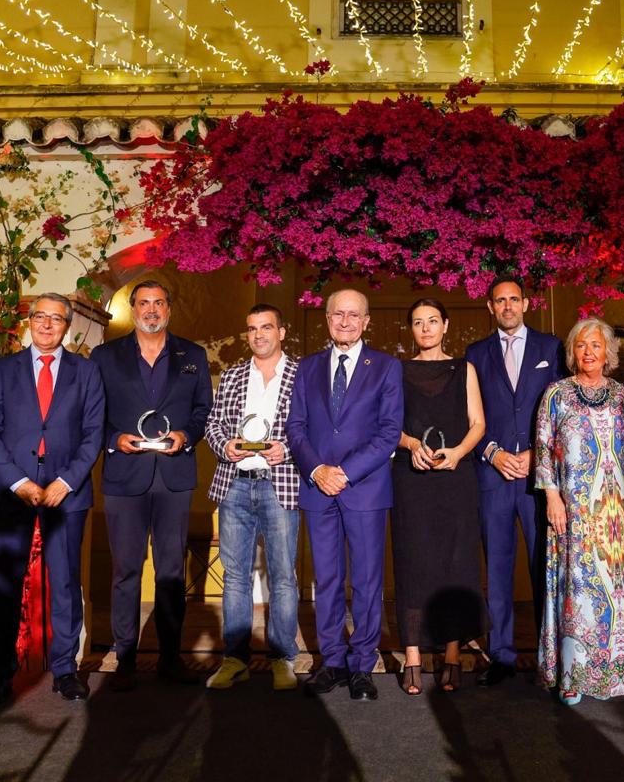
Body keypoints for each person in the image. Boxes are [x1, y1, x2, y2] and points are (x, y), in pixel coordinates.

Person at [0, 294, 105, 707]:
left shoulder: (86, 372)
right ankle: (0, 675)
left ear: (67, 326)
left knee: (65, 582)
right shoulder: (2, 370)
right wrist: (17, 482)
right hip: (14, 491)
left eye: (56, 319)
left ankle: (65, 669)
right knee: (6, 583)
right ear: (28, 322)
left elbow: (93, 433)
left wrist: (65, 481)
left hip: (67, 492)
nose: (47, 325)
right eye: (40, 317)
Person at [90, 280, 213, 691]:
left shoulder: (192, 356)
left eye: (159, 302)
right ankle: (124, 655)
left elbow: (203, 411)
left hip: (174, 476)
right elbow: (94, 413)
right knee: (126, 570)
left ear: (169, 309)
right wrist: (113, 439)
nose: (152, 310)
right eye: (144, 303)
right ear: (134, 308)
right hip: (125, 475)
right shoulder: (105, 356)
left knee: (171, 572)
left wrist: (186, 435)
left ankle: (169, 656)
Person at [286, 289, 403, 701]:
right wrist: (318, 470)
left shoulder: (387, 368)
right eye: (339, 314)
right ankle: (333, 661)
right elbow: (295, 427)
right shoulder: (307, 368)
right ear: (327, 319)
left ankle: (361, 666)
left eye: (355, 316)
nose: (346, 322)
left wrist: (346, 472)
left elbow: (389, 431)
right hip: (318, 489)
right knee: (328, 580)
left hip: (365, 490)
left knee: (368, 582)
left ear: (367, 321)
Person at [465, 275, 565, 687]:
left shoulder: (551, 348)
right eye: (499, 301)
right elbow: (467, 415)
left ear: (526, 303)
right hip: (493, 475)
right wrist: (493, 452)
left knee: (544, 566)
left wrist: (537, 456)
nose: (507, 306)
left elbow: (562, 411)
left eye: (513, 299)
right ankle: (502, 655)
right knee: (499, 570)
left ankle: (549, 656)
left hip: (539, 480)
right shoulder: (475, 353)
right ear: (490, 307)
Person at [391, 298, 487, 695]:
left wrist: (458, 454)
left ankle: (451, 655)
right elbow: (387, 426)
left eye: (433, 321)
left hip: (455, 478)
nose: (426, 328)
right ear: (410, 329)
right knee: (414, 562)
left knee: (455, 562)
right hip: (412, 480)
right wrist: (412, 444)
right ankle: (412, 657)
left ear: (446, 326)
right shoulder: (396, 370)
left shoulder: (464, 369)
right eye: (418, 322)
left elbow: (478, 423)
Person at [534, 318, 624, 704]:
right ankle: (573, 676)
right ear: (572, 352)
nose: (588, 352)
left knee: (614, 592)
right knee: (575, 590)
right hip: (573, 507)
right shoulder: (556, 394)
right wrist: (552, 497)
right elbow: (544, 448)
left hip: (615, 511)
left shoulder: (623, 395)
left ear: (608, 352)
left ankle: (612, 675)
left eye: (595, 345)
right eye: (580, 345)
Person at [204, 304, 301, 693]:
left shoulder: (301, 375)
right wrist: (224, 444)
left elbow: (312, 426)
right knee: (235, 578)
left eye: (266, 327)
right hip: (236, 484)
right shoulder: (232, 376)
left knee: (282, 577)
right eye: (251, 329)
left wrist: (289, 448)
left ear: (281, 331)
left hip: (280, 484)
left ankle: (282, 659)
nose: (258, 334)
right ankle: (235, 659)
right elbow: (212, 423)